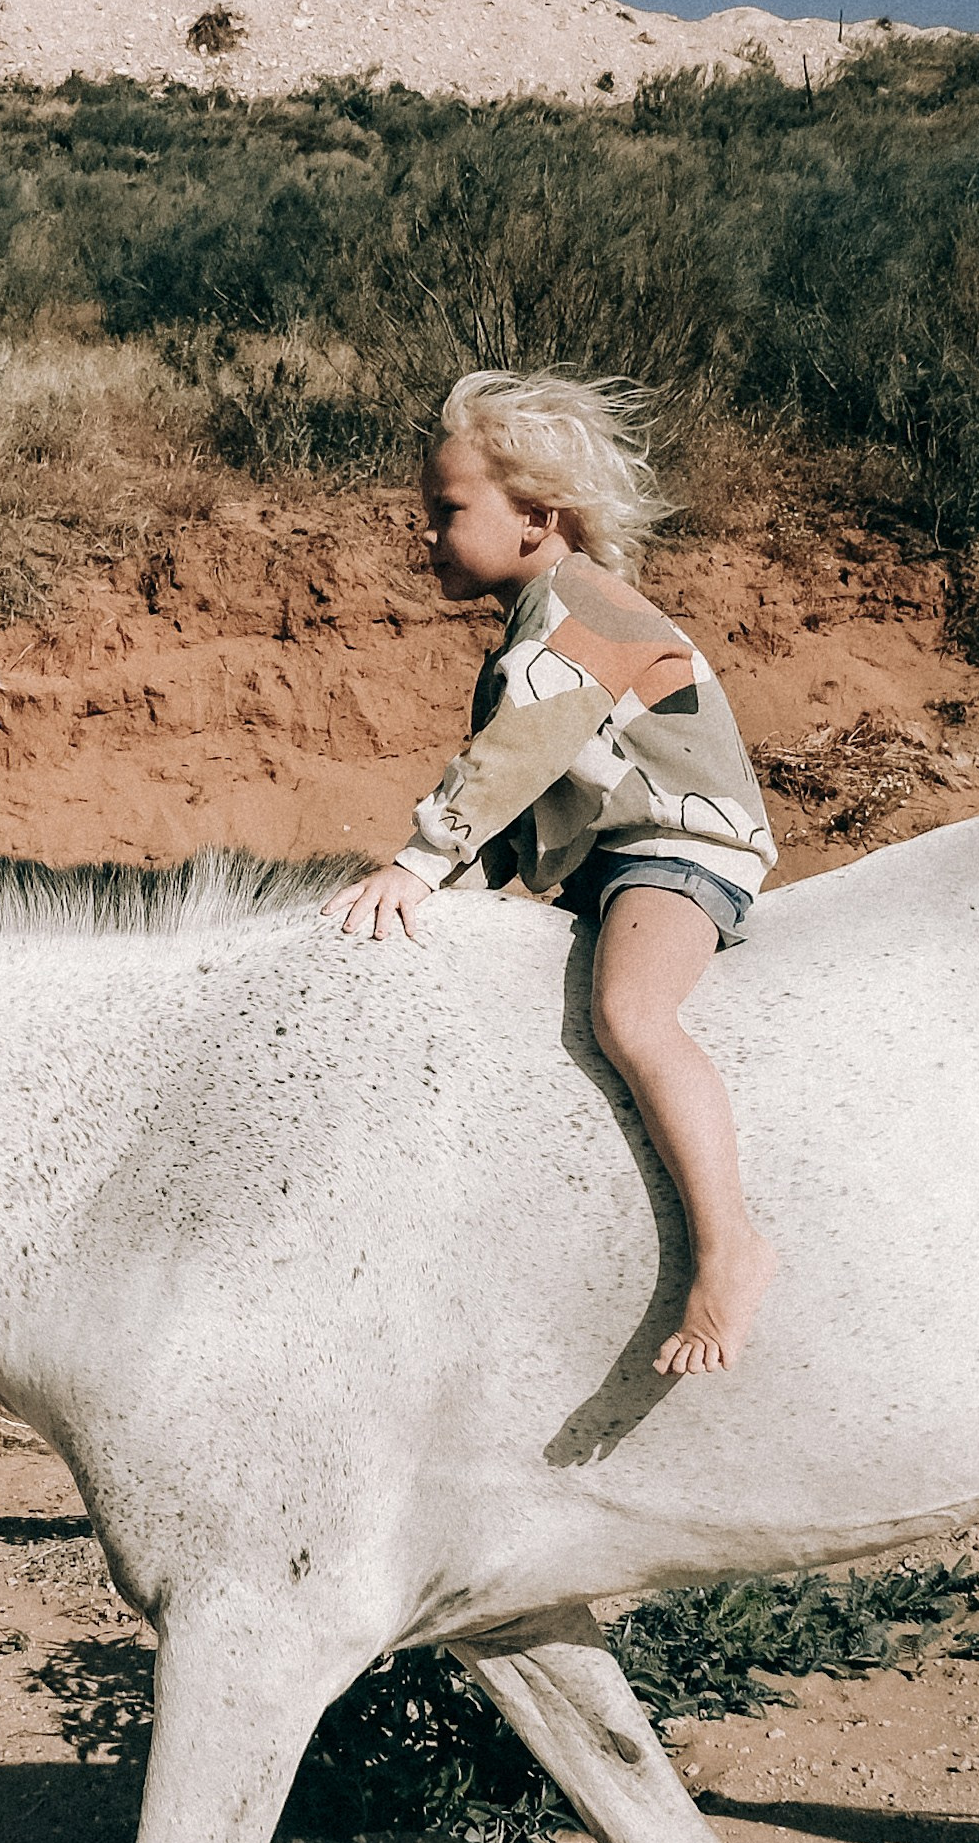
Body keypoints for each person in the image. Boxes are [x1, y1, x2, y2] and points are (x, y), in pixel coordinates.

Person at [324, 369, 779, 1375]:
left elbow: (513, 762)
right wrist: (438, 885)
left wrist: (419, 863)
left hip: (678, 848)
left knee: (631, 1016)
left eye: (447, 511)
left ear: (536, 516)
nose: (427, 535)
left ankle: (732, 1248)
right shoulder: (536, 617)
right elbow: (528, 808)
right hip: (606, 861)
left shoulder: (582, 613)